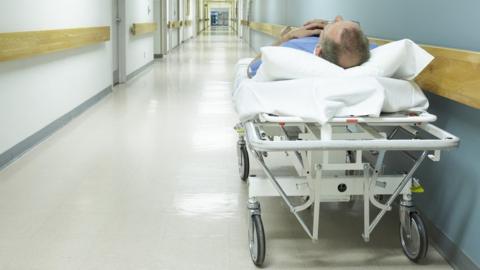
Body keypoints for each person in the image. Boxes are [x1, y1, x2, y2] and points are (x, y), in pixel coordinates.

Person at [247, 16, 372, 78]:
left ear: (318, 50)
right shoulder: (366, 48)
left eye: (327, 27)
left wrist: (286, 37)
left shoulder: (293, 48)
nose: (337, 18)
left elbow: (251, 69)